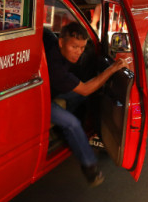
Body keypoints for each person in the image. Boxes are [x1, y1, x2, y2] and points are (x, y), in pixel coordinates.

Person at [44, 22, 129, 186]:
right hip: (39, 101)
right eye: (74, 47)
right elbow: (85, 89)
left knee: (78, 99)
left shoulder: (50, 38)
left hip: (51, 90)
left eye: (82, 47)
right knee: (72, 123)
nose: (78, 52)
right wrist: (111, 69)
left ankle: (66, 133)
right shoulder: (56, 68)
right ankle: (90, 167)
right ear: (61, 42)